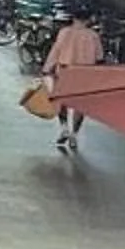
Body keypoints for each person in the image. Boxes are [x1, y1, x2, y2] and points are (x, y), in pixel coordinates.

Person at [44, 13, 106, 151]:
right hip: (85, 72)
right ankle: (74, 134)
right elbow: (100, 57)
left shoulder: (64, 32)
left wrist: (47, 69)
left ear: (74, 19)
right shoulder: (93, 35)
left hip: (64, 70)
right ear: (87, 20)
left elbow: (55, 52)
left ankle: (64, 128)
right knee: (80, 105)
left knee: (61, 101)